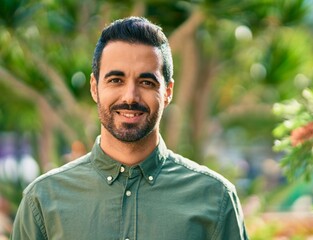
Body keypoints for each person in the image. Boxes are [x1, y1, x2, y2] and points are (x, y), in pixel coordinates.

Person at [11, 16, 249, 240]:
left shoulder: (215, 198)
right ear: (94, 87)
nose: (130, 96)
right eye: (116, 80)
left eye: (147, 82)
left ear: (167, 92)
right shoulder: (42, 200)